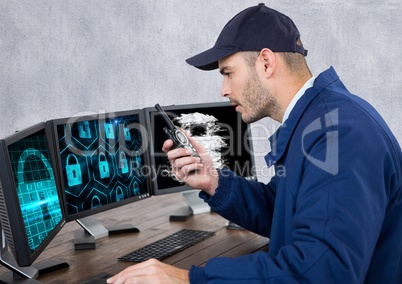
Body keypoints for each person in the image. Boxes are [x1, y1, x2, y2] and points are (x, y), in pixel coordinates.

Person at [107, 3, 402, 283]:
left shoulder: (339, 134)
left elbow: (321, 272)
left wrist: (189, 278)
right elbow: (286, 212)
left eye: (228, 73)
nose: (223, 89)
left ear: (265, 62)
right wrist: (214, 183)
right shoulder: (319, 121)